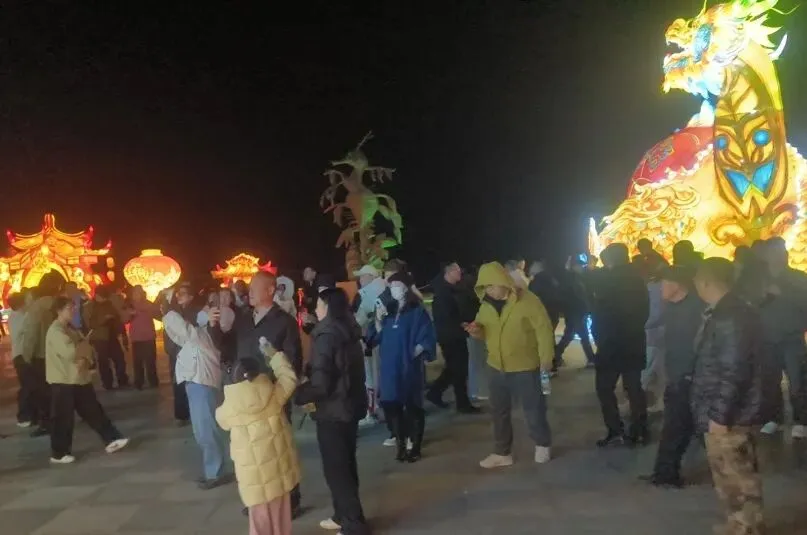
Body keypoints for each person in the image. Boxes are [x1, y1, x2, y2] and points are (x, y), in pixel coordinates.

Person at [691, 258, 770, 535]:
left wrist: (719, 415)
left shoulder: (730, 317)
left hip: (731, 414)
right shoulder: (730, 311)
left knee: (737, 473)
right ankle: (739, 523)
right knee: (730, 473)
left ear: (705, 282)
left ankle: (746, 526)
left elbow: (734, 370)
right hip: (728, 410)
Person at [215, 271, 303, 515]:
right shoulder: (244, 318)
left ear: (270, 290)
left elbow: (293, 361)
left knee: (279, 449)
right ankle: (260, 500)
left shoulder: (284, 322)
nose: (249, 292)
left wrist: (278, 386)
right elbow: (227, 348)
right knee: (255, 453)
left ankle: (290, 500)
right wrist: (215, 328)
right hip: (246, 396)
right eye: (250, 288)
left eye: (254, 288)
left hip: (273, 394)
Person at [296, 288, 371, 535]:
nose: (316, 309)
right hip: (348, 406)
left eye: (319, 304)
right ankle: (343, 515)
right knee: (345, 464)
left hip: (333, 410)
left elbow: (322, 382)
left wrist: (300, 393)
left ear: (327, 306)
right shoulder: (347, 328)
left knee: (337, 469)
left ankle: (353, 524)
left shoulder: (326, 336)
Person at [467, 261, 554, 468]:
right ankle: (502, 452)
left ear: (503, 281)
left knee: (533, 409)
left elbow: (543, 330)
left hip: (525, 367)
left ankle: (542, 444)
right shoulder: (486, 306)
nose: (489, 290)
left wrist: (546, 358)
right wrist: (476, 331)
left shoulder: (528, 300)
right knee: (499, 412)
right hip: (496, 367)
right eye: (485, 287)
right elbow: (484, 331)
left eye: (491, 285)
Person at [217, 353, 300, 535]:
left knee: (259, 516)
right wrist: (275, 356)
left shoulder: (230, 407)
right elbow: (289, 377)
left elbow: (221, 421)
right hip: (278, 469)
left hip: (252, 476)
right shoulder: (274, 393)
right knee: (281, 510)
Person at [642, 266, 705, 488]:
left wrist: (689, 374)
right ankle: (664, 472)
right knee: (675, 426)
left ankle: (667, 473)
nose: (660, 290)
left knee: (680, 426)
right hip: (676, 374)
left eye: (664, 284)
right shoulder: (672, 308)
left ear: (677, 285)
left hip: (687, 376)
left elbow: (698, 347)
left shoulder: (695, 310)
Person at [46, 296, 129, 463]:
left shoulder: (70, 328)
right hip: (64, 380)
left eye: (73, 307)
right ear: (59, 311)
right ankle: (59, 453)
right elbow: (71, 352)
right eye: (69, 308)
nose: (73, 311)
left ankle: (112, 439)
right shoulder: (56, 331)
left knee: (94, 411)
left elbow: (85, 348)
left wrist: (84, 354)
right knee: (63, 418)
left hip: (78, 378)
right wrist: (84, 350)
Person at [163, 298, 233, 490]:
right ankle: (213, 470)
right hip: (196, 382)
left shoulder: (206, 336)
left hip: (202, 383)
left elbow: (182, 329)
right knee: (202, 431)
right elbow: (178, 334)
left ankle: (216, 473)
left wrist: (169, 310)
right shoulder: (200, 333)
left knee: (206, 430)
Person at [367, 272, 436, 463]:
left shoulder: (416, 311)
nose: (394, 289)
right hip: (390, 366)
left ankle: (415, 445)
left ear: (406, 287)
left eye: (397, 285)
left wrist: (414, 353)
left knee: (413, 405)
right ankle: (400, 443)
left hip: (408, 366)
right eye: (391, 286)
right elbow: (378, 336)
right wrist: (378, 320)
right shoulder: (389, 310)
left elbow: (426, 336)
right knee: (392, 405)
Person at [592, 243, 650, 447]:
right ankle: (640, 430)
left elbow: (599, 315)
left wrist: (600, 339)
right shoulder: (638, 280)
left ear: (610, 260)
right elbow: (645, 312)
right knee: (634, 388)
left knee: (604, 388)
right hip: (634, 341)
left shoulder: (606, 281)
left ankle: (615, 429)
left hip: (611, 345)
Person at [758, 237, 807, 438]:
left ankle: (801, 420)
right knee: (769, 381)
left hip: (791, 337)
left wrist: (783, 293)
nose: (777, 257)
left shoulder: (798, 278)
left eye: (780, 253)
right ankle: (773, 418)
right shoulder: (759, 280)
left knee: (797, 381)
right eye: (772, 253)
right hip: (766, 337)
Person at [428, 262, 480, 414]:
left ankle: (436, 392)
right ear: (449, 272)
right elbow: (446, 315)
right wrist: (461, 324)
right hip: (451, 336)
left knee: (454, 368)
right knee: (459, 369)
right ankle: (461, 403)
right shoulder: (444, 292)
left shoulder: (451, 289)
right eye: (457, 271)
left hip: (453, 334)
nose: (460, 273)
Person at [22, 274, 63, 437]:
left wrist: (27, 355)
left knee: (43, 391)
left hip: (41, 354)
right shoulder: (59, 304)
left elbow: (31, 334)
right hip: (59, 352)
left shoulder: (37, 307)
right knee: (59, 388)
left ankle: (47, 422)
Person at [352, 264, 387, 429]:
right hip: (384, 341)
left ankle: (371, 412)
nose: (360, 280)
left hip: (369, 342)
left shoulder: (364, 294)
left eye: (363, 276)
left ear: (371, 277)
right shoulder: (386, 289)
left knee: (370, 379)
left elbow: (357, 320)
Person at [83, 285, 129, 390]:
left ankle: (122, 380)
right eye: (102, 297)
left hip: (112, 335)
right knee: (103, 362)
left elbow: (118, 318)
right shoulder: (90, 306)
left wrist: (123, 333)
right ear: (96, 295)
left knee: (119, 359)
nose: (104, 299)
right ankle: (107, 383)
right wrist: (104, 319)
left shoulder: (110, 304)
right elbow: (89, 323)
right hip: (99, 338)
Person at [554, 256, 595, 370]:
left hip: (575, 311)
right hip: (576, 311)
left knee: (569, 335)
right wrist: (586, 308)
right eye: (580, 265)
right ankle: (591, 359)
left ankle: (555, 357)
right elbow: (578, 297)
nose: (582, 267)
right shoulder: (572, 279)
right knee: (582, 336)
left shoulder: (574, 278)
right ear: (574, 266)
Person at [162, 284, 194, 426]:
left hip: (190, 352)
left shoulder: (193, 312)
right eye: (178, 293)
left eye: (183, 293)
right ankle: (182, 415)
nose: (179, 296)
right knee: (179, 383)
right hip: (176, 353)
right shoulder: (174, 312)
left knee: (190, 382)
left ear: (191, 297)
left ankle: (191, 412)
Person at [128, 285, 161, 390]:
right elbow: (124, 318)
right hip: (136, 337)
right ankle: (139, 382)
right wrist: (129, 314)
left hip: (148, 337)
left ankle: (153, 381)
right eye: (134, 293)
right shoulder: (130, 305)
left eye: (137, 293)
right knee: (137, 362)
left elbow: (157, 314)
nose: (135, 295)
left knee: (150, 361)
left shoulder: (148, 304)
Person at [9, 291, 33, 427]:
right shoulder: (19, 317)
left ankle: (30, 415)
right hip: (21, 356)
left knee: (29, 385)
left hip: (21, 355)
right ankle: (23, 416)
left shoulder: (17, 316)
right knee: (27, 386)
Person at [528, 259, 561, 330]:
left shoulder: (538, 279)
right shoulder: (551, 278)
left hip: (544, 313)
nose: (530, 268)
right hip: (553, 312)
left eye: (533, 266)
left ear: (537, 268)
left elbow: (530, 295)